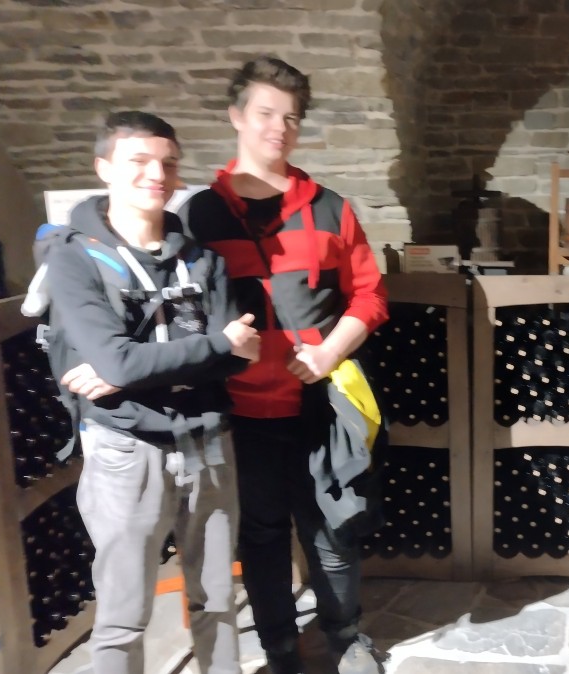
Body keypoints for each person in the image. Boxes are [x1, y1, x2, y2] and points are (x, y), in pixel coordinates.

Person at [180, 55, 389, 674]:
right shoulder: (197, 216)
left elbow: (370, 296)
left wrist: (327, 352)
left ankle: (345, 638)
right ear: (236, 116)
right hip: (236, 411)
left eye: (291, 118)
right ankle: (279, 648)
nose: (279, 128)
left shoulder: (330, 208)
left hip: (317, 403)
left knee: (332, 529)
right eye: (266, 113)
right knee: (262, 535)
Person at [44, 111, 259, 674]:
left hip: (208, 441)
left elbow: (240, 356)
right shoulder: (74, 259)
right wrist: (212, 347)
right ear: (104, 168)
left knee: (218, 599)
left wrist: (132, 369)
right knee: (124, 614)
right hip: (126, 448)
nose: (157, 175)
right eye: (138, 161)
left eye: (168, 163)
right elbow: (125, 359)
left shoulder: (204, 259)